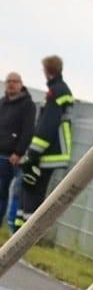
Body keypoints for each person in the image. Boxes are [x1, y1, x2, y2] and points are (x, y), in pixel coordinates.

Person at [16, 56, 74, 229]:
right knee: (28, 189)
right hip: (51, 152)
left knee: (32, 192)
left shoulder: (56, 92)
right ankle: (18, 233)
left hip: (47, 154)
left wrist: (33, 153)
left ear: (47, 70)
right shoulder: (61, 90)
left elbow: (47, 125)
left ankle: (25, 236)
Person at [0, 72, 37, 232]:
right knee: (1, 193)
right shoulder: (2, 103)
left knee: (18, 194)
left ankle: (15, 230)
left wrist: (19, 151)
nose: (11, 84)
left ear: (21, 84)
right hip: (1, 156)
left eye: (15, 81)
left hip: (16, 158)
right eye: (8, 81)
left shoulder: (27, 104)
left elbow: (28, 130)